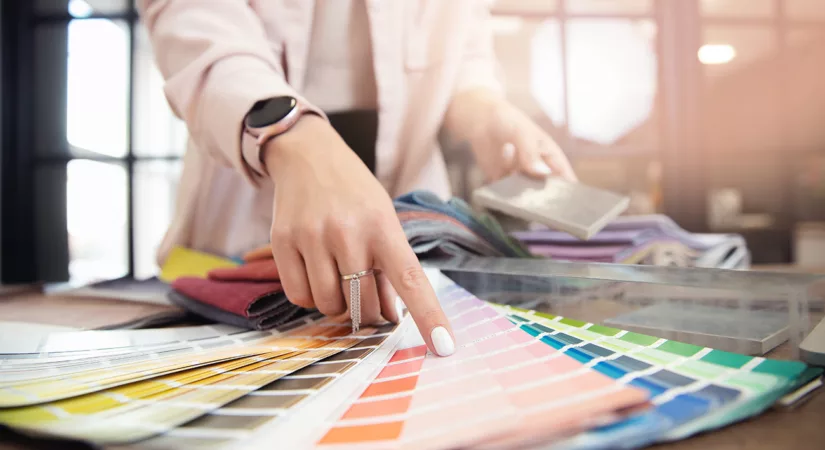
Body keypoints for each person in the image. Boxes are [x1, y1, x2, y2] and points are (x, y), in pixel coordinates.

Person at [139, 0, 576, 358]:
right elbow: (192, 18)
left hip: (418, 249)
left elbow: (466, 47)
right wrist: (292, 137)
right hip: (238, 237)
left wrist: (484, 108)